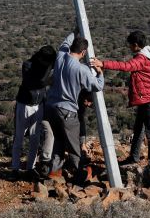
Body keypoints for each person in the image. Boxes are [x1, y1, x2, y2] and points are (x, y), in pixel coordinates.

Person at [40, 32, 104, 183]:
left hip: (50, 108)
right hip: (67, 111)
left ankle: (54, 172)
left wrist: (75, 31)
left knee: (58, 141)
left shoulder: (61, 57)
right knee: (74, 145)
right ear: (83, 52)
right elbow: (97, 86)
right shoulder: (82, 69)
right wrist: (100, 73)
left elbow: (65, 42)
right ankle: (79, 174)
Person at [101, 30, 150, 178]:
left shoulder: (142, 59)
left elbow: (126, 66)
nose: (129, 47)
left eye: (130, 45)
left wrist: (103, 64)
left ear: (136, 45)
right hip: (146, 99)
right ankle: (134, 157)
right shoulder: (149, 53)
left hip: (149, 100)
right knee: (139, 130)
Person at [11, 44, 56, 175]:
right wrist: (49, 76)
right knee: (19, 138)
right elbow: (37, 82)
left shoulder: (44, 64)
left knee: (35, 139)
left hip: (38, 104)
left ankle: (30, 168)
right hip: (24, 105)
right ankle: (15, 168)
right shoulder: (28, 65)